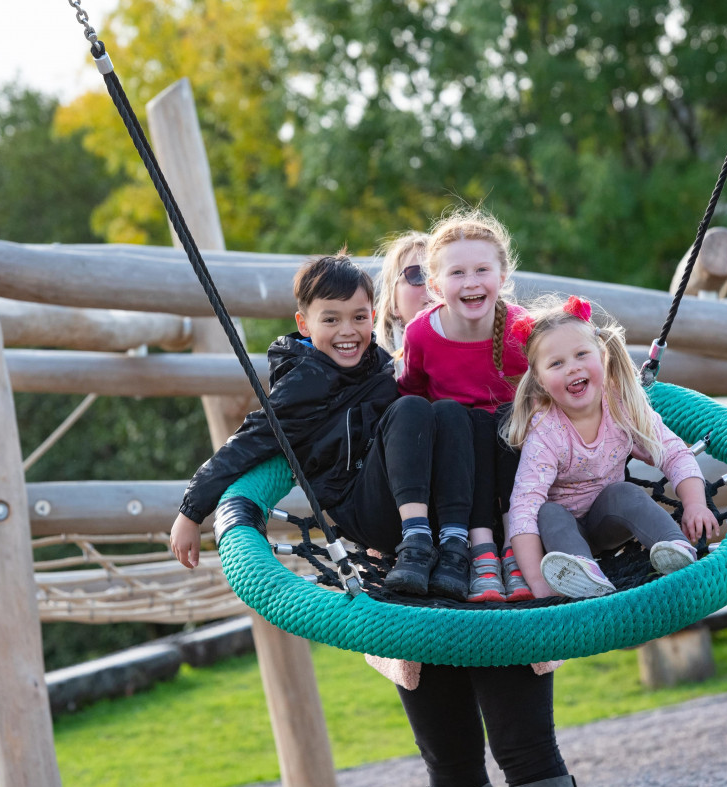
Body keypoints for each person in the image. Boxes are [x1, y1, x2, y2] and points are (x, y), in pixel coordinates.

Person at [169, 251, 475, 597]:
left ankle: (454, 544)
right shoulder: (303, 382)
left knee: (449, 411)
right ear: (304, 324)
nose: (348, 332)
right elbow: (247, 442)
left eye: (359, 318)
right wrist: (191, 512)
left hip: (404, 494)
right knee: (410, 409)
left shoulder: (379, 365)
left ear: (372, 317)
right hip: (362, 508)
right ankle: (417, 539)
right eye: (331, 320)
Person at [505, 295, 720, 599]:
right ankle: (581, 572)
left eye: (581, 354)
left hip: (609, 521)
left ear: (602, 356)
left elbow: (673, 452)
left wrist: (696, 504)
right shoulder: (546, 432)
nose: (572, 368)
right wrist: (537, 583)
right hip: (562, 538)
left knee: (625, 493)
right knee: (548, 512)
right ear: (539, 381)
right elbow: (524, 507)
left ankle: (675, 547)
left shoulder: (622, 404)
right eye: (556, 363)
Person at [398, 208, 531, 603]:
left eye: (481, 271)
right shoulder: (421, 333)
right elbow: (411, 394)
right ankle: (481, 550)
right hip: (455, 457)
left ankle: (515, 546)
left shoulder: (521, 329)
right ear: (436, 285)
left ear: (502, 277)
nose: (471, 282)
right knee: (461, 419)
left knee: (508, 418)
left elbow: (545, 391)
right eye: (457, 273)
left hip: (513, 452)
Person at [373, 231, 432, 376]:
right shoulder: (367, 364)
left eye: (442, 274)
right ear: (394, 304)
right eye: (418, 274)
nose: (433, 284)